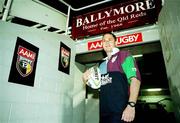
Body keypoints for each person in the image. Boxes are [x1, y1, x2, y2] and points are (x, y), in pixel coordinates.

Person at [82, 32, 141, 123]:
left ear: (116, 42)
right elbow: (101, 87)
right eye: (104, 40)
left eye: (110, 39)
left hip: (121, 113)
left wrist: (131, 105)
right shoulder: (101, 65)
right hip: (104, 115)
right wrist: (87, 80)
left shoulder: (124, 56)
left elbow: (135, 80)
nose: (107, 42)